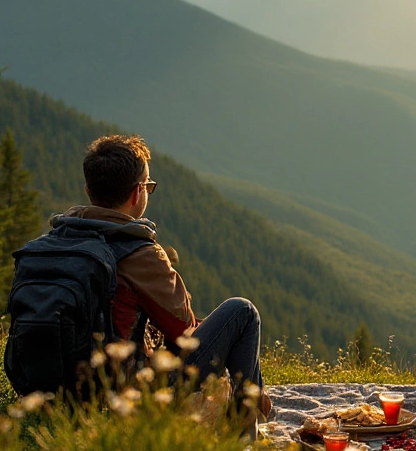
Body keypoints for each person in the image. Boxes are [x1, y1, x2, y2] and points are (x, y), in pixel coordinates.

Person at [53, 134, 271, 419]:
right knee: (241, 312)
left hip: (52, 384)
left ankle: (254, 410)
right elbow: (184, 334)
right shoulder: (140, 254)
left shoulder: (57, 238)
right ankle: (249, 418)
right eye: (149, 186)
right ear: (137, 193)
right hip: (123, 393)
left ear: (88, 189)